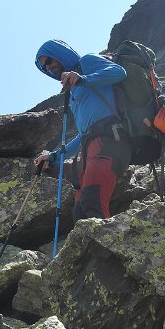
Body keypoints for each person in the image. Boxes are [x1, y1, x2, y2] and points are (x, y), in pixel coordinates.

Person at [34, 39, 131, 220]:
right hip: (91, 148)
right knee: (80, 215)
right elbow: (83, 134)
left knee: (92, 203)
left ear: (60, 53)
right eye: (44, 67)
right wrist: (54, 156)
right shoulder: (72, 92)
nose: (48, 68)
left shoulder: (87, 62)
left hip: (110, 140)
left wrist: (84, 79)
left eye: (49, 61)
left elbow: (119, 72)